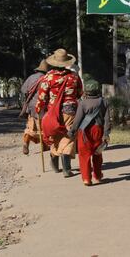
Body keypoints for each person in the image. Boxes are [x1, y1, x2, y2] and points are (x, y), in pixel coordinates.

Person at [35, 49, 83, 177]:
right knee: (68, 136)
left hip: (52, 112)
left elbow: (42, 97)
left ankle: (55, 164)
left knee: (55, 135)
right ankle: (66, 168)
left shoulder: (48, 77)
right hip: (70, 111)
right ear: (66, 62)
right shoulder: (74, 76)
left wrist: (39, 109)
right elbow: (79, 93)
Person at [68, 78, 110, 186]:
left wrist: (72, 131)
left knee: (84, 155)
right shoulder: (104, 102)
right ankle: (98, 176)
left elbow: (77, 120)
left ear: (86, 91)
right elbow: (107, 120)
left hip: (84, 132)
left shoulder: (82, 103)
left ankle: (86, 179)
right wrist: (106, 134)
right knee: (97, 154)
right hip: (98, 130)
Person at [20, 59, 49, 155]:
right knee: (44, 128)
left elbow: (23, 90)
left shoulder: (31, 77)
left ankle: (25, 143)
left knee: (31, 127)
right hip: (43, 106)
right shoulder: (46, 78)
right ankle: (45, 146)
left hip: (31, 107)